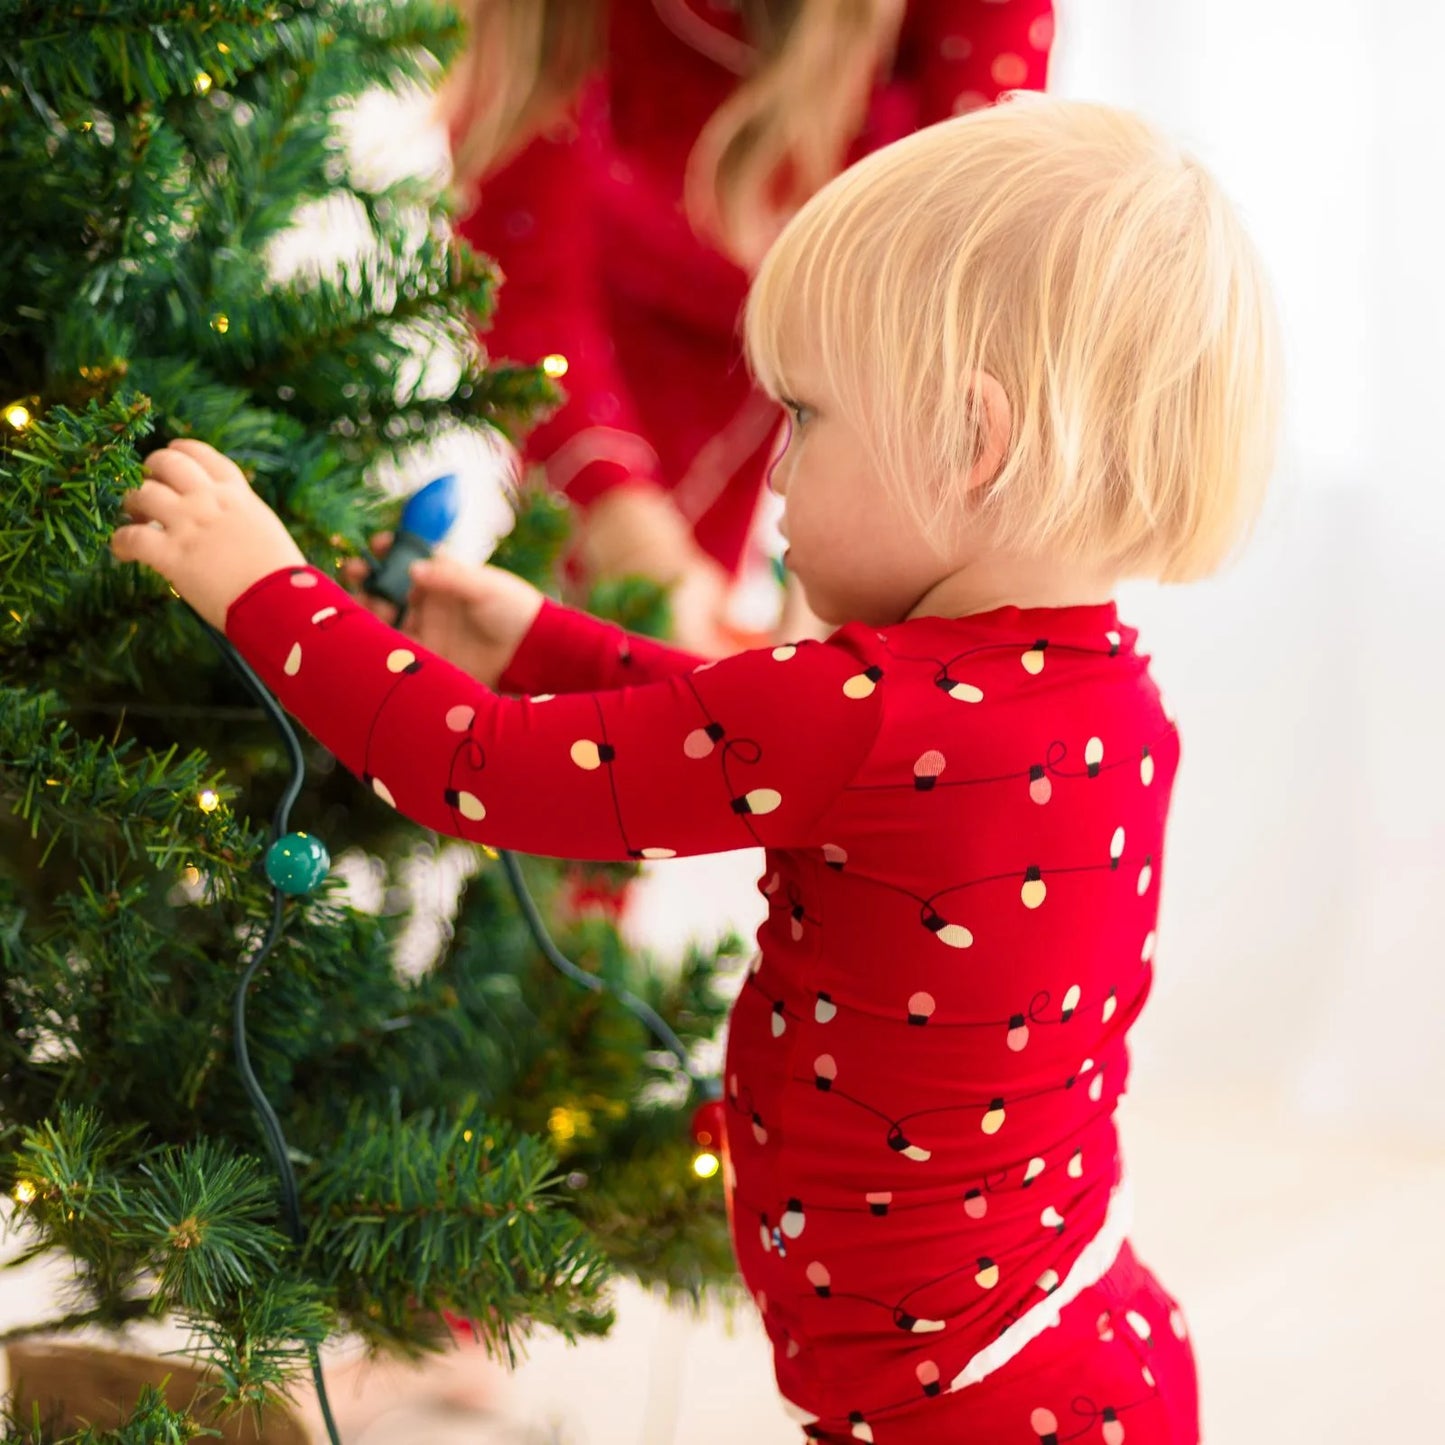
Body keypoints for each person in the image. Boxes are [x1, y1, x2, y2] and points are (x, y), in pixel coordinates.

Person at [114, 94, 1282, 1441]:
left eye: (806, 414)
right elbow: (756, 731)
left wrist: (259, 584)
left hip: (962, 1406)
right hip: (1076, 1343)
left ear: (972, 442)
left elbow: (471, 768)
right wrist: (542, 638)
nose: (774, 471)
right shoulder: (1103, 698)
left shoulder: (863, 711)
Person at [446, 0, 1055, 653]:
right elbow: (520, 277)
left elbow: (966, 294)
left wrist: (852, 569)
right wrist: (631, 533)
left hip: (856, 317)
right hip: (611, 316)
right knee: (615, 646)